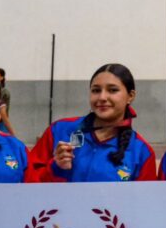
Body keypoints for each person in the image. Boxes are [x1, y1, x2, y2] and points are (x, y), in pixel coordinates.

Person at [27, 63, 157, 182]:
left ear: (130, 96)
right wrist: (56, 167)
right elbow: (28, 181)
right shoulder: (59, 130)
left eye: (112, 90)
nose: (102, 97)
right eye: (96, 90)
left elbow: (146, 198)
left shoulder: (141, 152)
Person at [0, 67, 17, 137]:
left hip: (0, 123)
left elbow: (2, 113)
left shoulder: (4, 92)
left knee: (4, 140)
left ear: (1, 78)